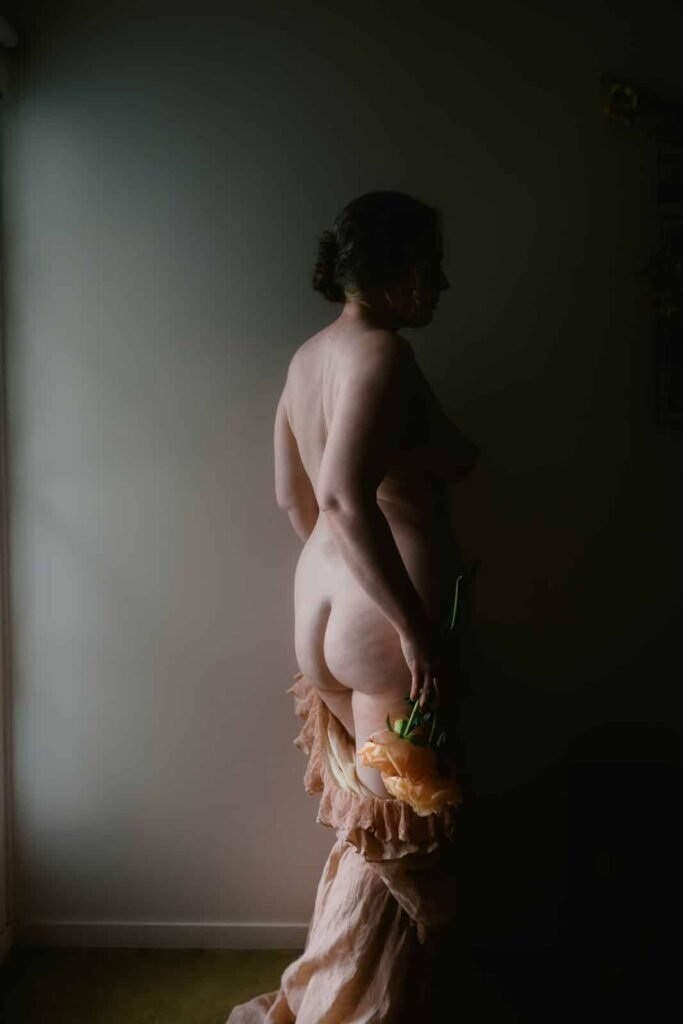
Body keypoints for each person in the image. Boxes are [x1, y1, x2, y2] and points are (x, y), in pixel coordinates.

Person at [226, 191, 481, 1023]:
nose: (440, 286)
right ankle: (350, 1011)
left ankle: (358, 999)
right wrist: (412, 628)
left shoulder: (307, 360)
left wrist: (337, 580)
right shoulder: (383, 354)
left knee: (376, 828)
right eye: (432, 269)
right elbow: (341, 495)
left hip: (324, 601)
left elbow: (292, 498)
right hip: (381, 622)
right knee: (400, 830)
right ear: (399, 271)